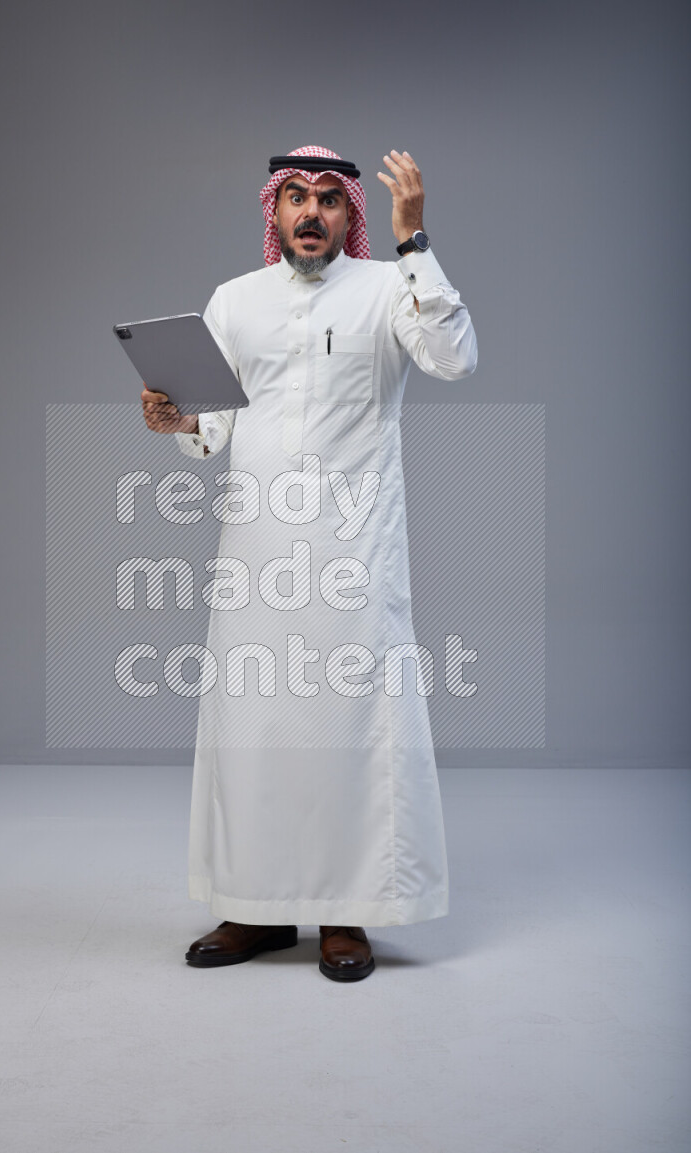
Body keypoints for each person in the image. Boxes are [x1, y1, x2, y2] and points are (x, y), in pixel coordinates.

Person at [141, 145, 477, 981]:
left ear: (349, 213)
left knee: (351, 725)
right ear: (274, 210)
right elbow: (212, 428)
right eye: (295, 196)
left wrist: (414, 241)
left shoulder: (388, 288)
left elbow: (454, 357)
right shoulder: (235, 301)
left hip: (355, 551)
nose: (311, 212)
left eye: (328, 199)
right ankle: (253, 908)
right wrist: (177, 420)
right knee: (253, 728)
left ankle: (345, 914)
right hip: (255, 551)